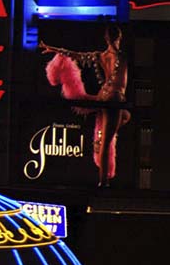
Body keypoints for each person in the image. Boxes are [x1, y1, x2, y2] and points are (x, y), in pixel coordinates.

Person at [39, 24, 130, 187]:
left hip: (104, 95)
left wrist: (55, 49)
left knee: (126, 117)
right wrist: (115, 46)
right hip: (115, 97)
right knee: (107, 143)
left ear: (106, 38)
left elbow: (78, 55)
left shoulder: (100, 56)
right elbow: (108, 59)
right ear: (119, 38)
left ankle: (100, 140)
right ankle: (103, 182)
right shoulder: (119, 55)